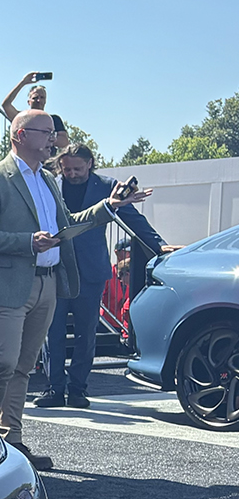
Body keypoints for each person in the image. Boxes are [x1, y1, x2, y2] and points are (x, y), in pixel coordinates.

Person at [0, 110, 151, 471]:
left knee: (22, 367)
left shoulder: (49, 180)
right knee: (2, 362)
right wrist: (26, 242)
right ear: (20, 135)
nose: (54, 139)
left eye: (53, 133)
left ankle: (12, 440)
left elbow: (69, 224)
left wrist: (110, 206)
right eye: (46, 132)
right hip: (6, 283)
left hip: (47, 283)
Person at [36, 143, 173, 408]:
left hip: (90, 271)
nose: (72, 174)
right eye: (66, 170)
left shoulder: (108, 186)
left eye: (77, 168)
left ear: (90, 164)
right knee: (51, 332)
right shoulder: (50, 184)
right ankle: (54, 389)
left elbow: (133, 219)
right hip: (57, 267)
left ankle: (77, 389)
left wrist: (158, 245)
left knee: (86, 333)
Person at [1, 72, 69, 155]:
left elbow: (64, 142)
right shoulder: (22, 118)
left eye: (42, 97)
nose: (39, 100)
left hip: (48, 164)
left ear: (45, 101)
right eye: (35, 98)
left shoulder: (54, 119)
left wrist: (41, 137)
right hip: (26, 161)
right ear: (29, 102)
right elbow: (6, 105)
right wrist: (23, 82)